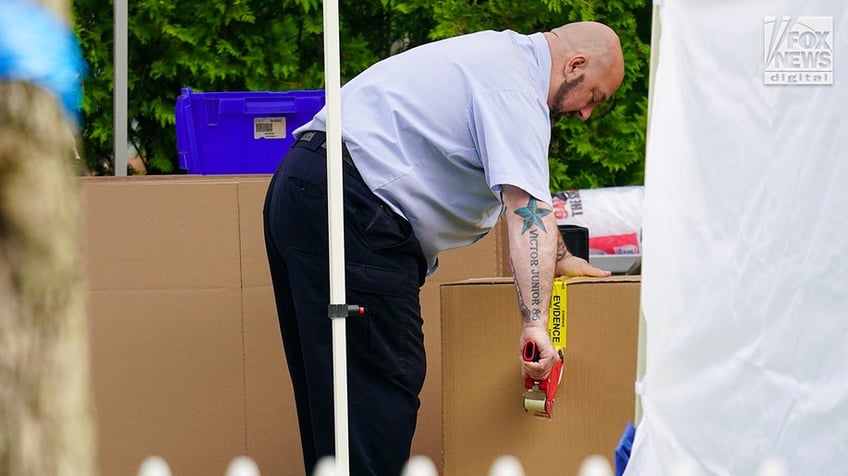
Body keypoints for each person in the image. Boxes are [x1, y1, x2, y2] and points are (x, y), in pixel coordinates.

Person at [263, 21, 624, 475]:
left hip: (306, 190)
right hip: (353, 208)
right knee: (381, 390)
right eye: (594, 96)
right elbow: (526, 212)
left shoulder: (497, 61)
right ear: (574, 65)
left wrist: (560, 257)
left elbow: (520, 202)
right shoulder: (514, 92)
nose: (587, 113)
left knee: (337, 397)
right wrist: (536, 325)